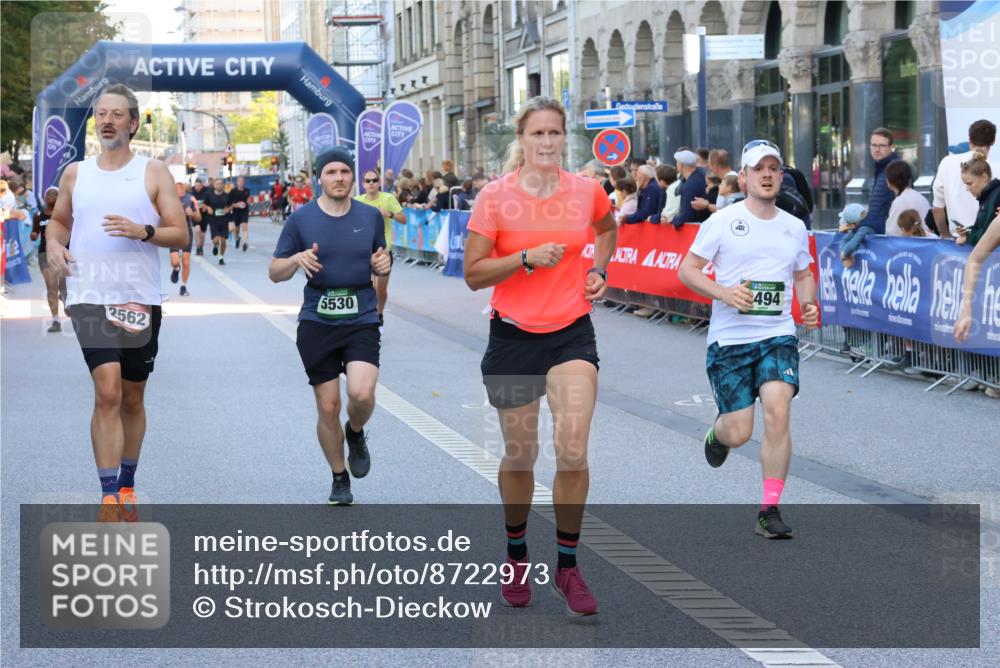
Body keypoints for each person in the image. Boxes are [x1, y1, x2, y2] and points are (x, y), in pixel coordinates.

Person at [463, 96, 617, 616]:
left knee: (572, 450)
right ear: (521, 139)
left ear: (564, 138)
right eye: (537, 134)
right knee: (521, 455)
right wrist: (525, 258)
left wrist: (599, 270)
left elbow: (608, 229)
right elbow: (473, 273)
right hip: (512, 338)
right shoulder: (495, 197)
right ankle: (515, 555)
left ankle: (568, 567)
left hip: (571, 333)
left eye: (555, 133)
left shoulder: (587, 191)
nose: (547, 142)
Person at [43, 84, 188, 520]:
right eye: (101, 114)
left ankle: (127, 483)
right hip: (88, 296)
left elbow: (180, 234)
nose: (107, 121)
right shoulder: (75, 173)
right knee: (106, 391)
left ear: (133, 122)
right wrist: (53, 246)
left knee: (131, 395)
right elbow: (59, 223)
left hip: (138, 298)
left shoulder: (153, 171)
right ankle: (108, 495)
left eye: (117, 114)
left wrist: (143, 231)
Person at [678, 139, 819, 539]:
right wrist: (723, 293)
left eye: (774, 168)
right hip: (730, 340)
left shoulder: (794, 226)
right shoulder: (722, 221)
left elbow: (803, 274)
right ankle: (717, 434)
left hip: (776, 335)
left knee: (778, 410)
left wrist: (807, 304)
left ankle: (769, 509)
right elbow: (687, 270)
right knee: (739, 431)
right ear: (743, 177)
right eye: (759, 169)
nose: (768, 174)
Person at [269, 147, 391, 505]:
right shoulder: (301, 220)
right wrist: (294, 259)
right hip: (317, 321)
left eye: (345, 172)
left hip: (361, 316)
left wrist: (384, 265)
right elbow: (274, 272)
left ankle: (355, 432)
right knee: (327, 407)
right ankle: (339, 477)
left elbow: (381, 259)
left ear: (353, 177)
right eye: (331, 172)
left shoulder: (369, 217)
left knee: (362, 394)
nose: (339, 178)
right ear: (319, 178)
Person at [840, 128, 899, 263]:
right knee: (844, 235)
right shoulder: (880, 169)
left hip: (887, 230)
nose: (877, 149)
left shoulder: (894, 169)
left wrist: (864, 222)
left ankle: (845, 255)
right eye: (873, 145)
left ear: (891, 147)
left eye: (881, 146)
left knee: (855, 236)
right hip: (877, 225)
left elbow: (881, 209)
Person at [933, 119, 999, 240]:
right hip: (990, 245)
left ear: (970, 139)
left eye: (969, 183)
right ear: (993, 141)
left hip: (958, 241)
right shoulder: (998, 168)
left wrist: (945, 236)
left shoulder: (947, 163)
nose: (968, 189)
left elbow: (937, 208)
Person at [354, 168, 405, 324]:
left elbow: (404, 219)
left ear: (379, 182)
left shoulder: (388, 198)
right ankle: (368, 316)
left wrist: (388, 214)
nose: (371, 183)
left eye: (374, 180)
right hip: (363, 251)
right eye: (368, 181)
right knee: (366, 287)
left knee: (380, 290)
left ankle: (379, 315)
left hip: (383, 251)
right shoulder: (357, 201)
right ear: (363, 184)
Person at [30, 186, 66, 332]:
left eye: (54, 194)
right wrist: (33, 235)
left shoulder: (65, 214)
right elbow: (34, 232)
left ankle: (64, 296)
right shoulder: (38, 215)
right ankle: (56, 320)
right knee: (51, 286)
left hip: (63, 254)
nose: (51, 196)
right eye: (48, 194)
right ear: (44, 197)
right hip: (45, 254)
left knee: (64, 286)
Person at [956, 154, 1000, 247]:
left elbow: (986, 237)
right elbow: (981, 229)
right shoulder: (986, 197)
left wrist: (968, 235)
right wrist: (966, 231)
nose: (967, 189)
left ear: (984, 177)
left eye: (969, 183)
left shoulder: (996, 196)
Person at [884, 160, 932, 237]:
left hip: (909, 246)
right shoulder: (921, 197)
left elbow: (892, 232)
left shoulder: (899, 202)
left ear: (889, 180)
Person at [169, 181, 199, 296]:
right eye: (178, 188)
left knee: (186, 261)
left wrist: (192, 214)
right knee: (175, 261)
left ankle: (183, 286)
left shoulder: (191, 199)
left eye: (183, 188)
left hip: (186, 231)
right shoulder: (169, 199)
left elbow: (198, 216)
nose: (181, 190)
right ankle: (176, 269)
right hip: (174, 231)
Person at [671, 149, 709, 227]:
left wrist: (673, 220)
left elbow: (687, 215)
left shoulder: (689, 185)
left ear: (681, 165)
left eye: (677, 163)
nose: (676, 165)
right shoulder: (701, 176)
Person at [200, 177, 231, 265]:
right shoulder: (209, 196)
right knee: (216, 240)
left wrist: (228, 209)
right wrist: (207, 208)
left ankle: (221, 257)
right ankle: (216, 245)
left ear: (223, 185)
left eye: (221, 184)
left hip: (224, 220)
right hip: (213, 220)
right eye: (217, 184)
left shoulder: (227, 196)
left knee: (224, 240)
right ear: (214, 185)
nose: (219, 186)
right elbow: (203, 205)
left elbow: (231, 205)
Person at [228, 175, 251, 251]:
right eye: (239, 181)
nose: (241, 183)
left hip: (244, 211)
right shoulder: (233, 191)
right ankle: (237, 239)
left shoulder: (247, 190)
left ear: (244, 182)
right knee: (236, 229)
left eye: (242, 181)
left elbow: (249, 200)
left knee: (245, 226)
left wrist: (249, 202)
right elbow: (229, 202)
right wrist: (235, 205)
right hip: (236, 211)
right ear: (237, 182)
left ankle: (245, 243)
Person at [190, 178, 208, 254]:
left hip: (204, 215)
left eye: (199, 186)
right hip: (195, 214)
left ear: (202, 186)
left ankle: (201, 247)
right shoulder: (192, 193)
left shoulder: (206, 193)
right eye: (196, 186)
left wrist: (206, 207)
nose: (197, 188)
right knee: (197, 230)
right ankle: (198, 247)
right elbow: (189, 204)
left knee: (203, 233)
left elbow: (210, 203)